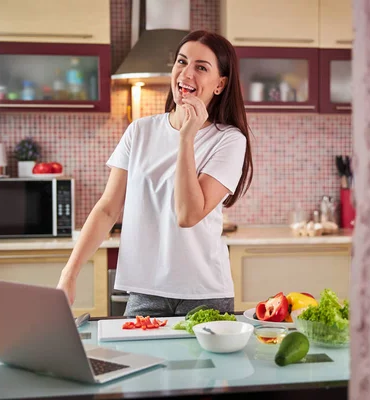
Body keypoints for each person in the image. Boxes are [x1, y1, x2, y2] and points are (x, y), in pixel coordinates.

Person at [57, 30, 253, 317]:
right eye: (181, 62)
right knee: (139, 363)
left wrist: (186, 137)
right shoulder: (139, 131)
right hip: (144, 292)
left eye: (201, 67)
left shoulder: (229, 140)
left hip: (204, 294)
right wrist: (70, 273)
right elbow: (107, 209)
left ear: (220, 84)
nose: (186, 73)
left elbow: (188, 214)